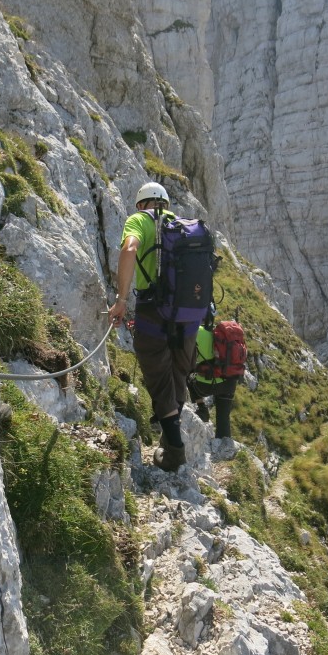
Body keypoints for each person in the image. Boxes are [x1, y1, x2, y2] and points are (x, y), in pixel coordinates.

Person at [108, 182, 200, 472]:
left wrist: (121, 299)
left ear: (140, 204)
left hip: (154, 310)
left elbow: (129, 248)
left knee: (159, 377)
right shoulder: (182, 225)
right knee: (178, 374)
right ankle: (167, 437)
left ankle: (174, 451)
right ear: (167, 204)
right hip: (187, 314)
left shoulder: (139, 220)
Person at [188, 317, 238, 441]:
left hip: (205, 385)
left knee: (188, 377)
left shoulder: (195, 331)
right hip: (229, 382)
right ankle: (224, 446)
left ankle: (202, 408)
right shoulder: (226, 336)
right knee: (223, 417)